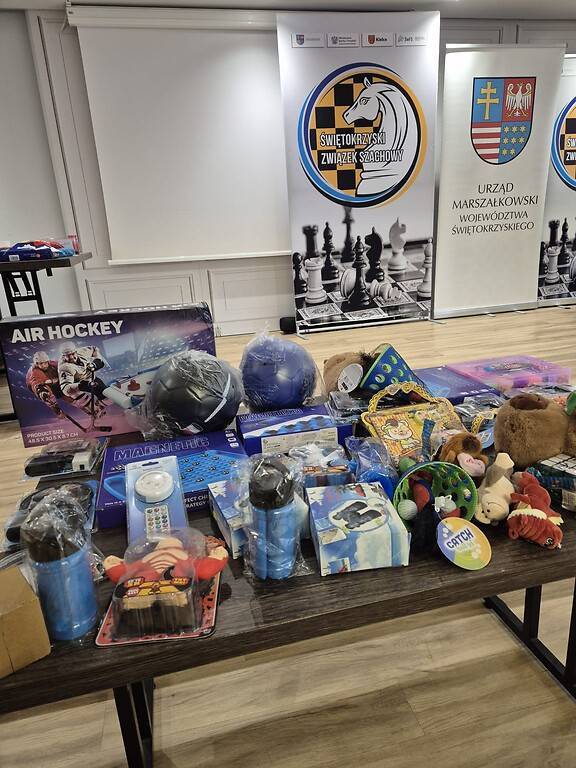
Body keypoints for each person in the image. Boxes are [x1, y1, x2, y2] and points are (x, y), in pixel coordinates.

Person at [58, 343, 108, 419]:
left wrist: (96, 362)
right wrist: (82, 385)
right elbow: (65, 389)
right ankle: (93, 411)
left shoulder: (82, 351)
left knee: (107, 398)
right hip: (76, 384)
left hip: (91, 379)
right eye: (68, 355)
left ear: (76, 352)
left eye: (72, 354)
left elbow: (95, 349)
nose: (71, 357)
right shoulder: (64, 368)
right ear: (63, 356)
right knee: (81, 398)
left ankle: (98, 405)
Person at [26, 351, 66, 418]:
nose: (44, 365)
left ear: (48, 361)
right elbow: (36, 385)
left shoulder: (53, 363)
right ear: (37, 364)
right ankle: (57, 411)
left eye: (45, 363)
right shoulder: (34, 372)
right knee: (44, 393)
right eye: (41, 363)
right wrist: (54, 405)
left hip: (52, 381)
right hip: (38, 384)